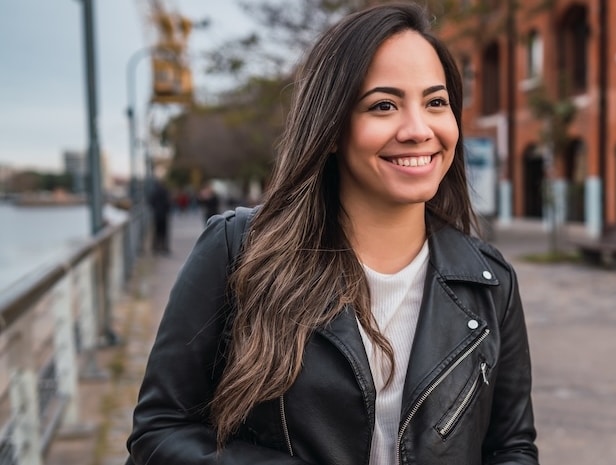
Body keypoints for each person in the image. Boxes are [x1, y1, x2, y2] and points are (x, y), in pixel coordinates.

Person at [126, 4, 539, 465]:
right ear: (330, 129)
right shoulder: (238, 250)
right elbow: (158, 433)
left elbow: (511, 447)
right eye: (384, 105)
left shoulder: (490, 282)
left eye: (436, 102)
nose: (419, 130)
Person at [147, 180, 171, 255]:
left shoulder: (154, 192)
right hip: (164, 214)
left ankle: (155, 247)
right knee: (164, 231)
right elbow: (168, 202)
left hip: (157, 214)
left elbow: (150, 202)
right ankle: (164, 247)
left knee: (157, 231)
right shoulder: (165, 191)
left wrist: (155, 209)